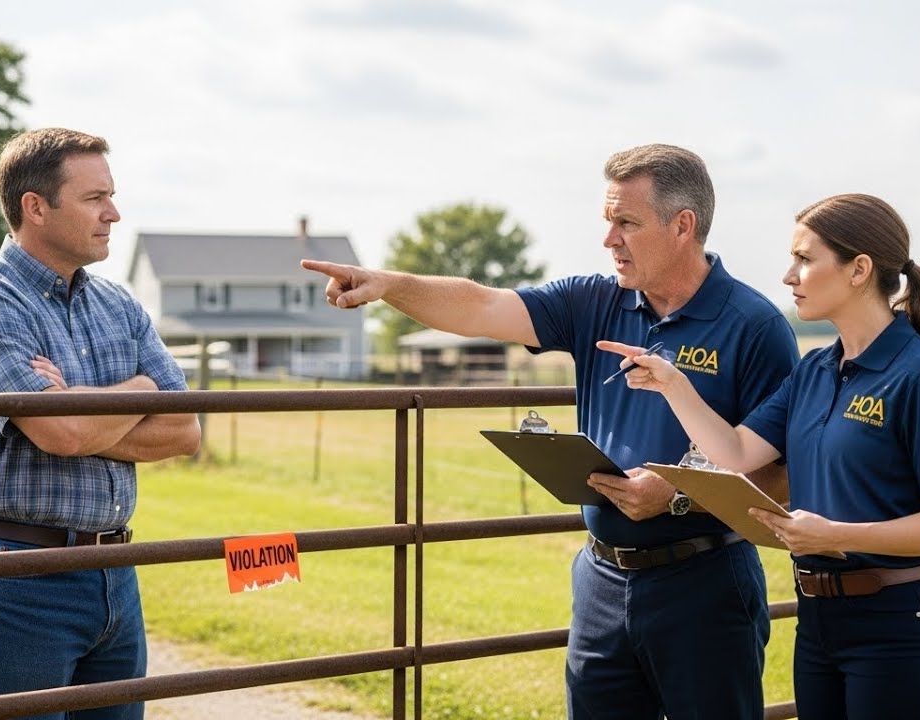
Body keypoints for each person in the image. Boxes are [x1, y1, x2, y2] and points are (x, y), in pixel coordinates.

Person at [302, 143, 799, 719]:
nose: (609, 239)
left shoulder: (755, 326)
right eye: (608, 221)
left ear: (682, 225)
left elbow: (782, 480)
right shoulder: (594, 300)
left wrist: (677, 492)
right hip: (601, 581)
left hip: (704, 584)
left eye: (626, 223)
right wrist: (389, 285)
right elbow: (481, 307)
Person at [602, 193, 920, 718]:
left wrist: (837, 536)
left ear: (859, 270)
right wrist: (672, 385)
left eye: (804, 259)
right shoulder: (814, 370)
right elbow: (736, 452)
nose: (788, 275)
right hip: (819, 623)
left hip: (899, 627)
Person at [0, 127, 202, 720]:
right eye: (94, 198)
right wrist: (142, 391)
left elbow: (185, 430)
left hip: (115, 571)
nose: (113, 213)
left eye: (111, 196)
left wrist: (79, 403)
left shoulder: (119, 304)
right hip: (22, 575)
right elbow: (61, 434)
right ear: (36, 207)